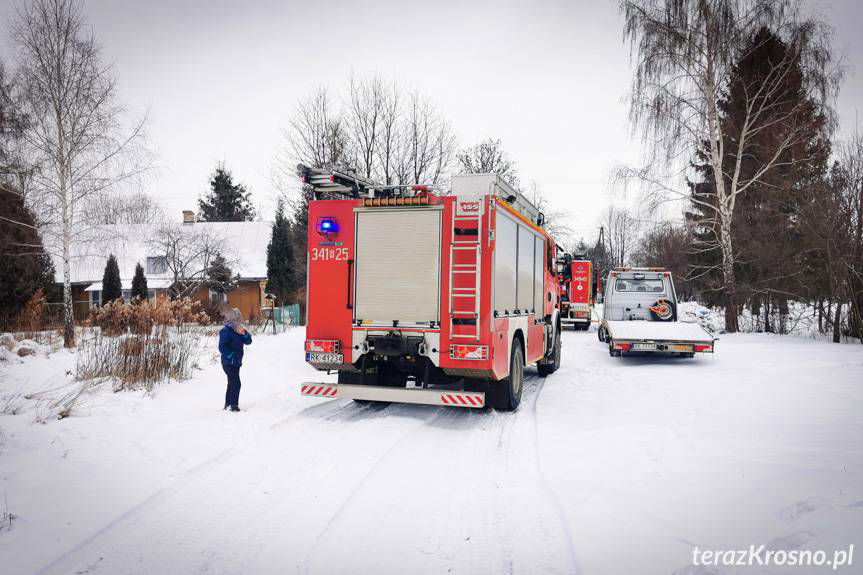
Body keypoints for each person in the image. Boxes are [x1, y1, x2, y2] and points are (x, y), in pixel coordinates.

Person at [219, 308, 252, 412]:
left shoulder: (239, 330)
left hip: (236, 362)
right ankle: (233, 406)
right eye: (237, 319)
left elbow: (249, 341)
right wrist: (232, 355)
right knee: (236, 383)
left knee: (231, 383)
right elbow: (222, 347)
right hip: (228, 362)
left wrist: (244, 333)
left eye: (239, 319)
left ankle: (228, 404)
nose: (239, 321)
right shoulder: (225, 330)